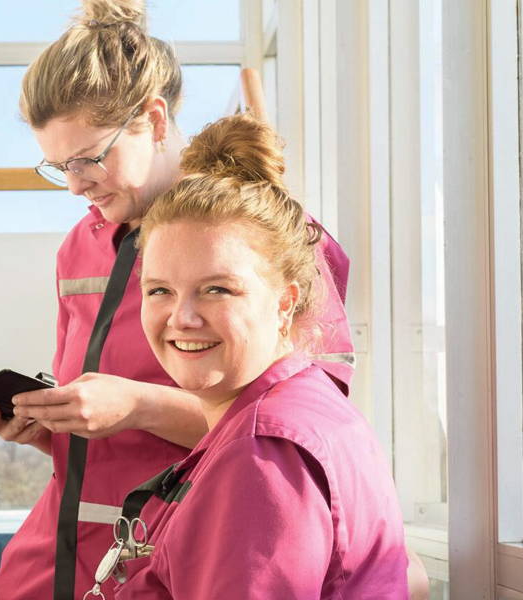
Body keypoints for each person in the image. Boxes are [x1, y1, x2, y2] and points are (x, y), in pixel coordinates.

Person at [0, 1, 354, 598]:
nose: (74, 185)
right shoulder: (78, 248)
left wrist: (139, 405)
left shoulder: (273, 241)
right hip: (56, 553)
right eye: (58, 166)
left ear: (154, 118)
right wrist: (50, 422)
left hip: (168, 554)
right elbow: (107, 433)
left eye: (90, 158)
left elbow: (300, 435)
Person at [98, 112, 408, 598]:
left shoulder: (262, 454)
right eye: (159, 290)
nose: (182, 318)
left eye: (217, 289)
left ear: (284, 302)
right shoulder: (306, 408)